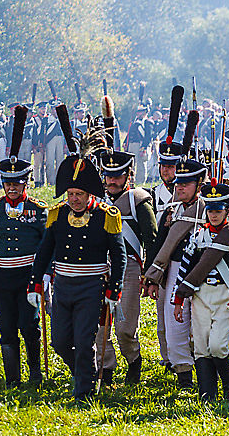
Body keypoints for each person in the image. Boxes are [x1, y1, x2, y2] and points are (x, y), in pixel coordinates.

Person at [27, 108, 126, 401]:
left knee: (84, 342)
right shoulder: (57, 215)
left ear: (90, 195)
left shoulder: (107, 215)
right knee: (60, 342)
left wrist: (114, 290)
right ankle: (84, 373)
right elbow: (44, 250)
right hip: (63, 287)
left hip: (91, 287)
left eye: (79, 195)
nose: (74, 199)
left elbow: (118, 256)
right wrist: (35, 283)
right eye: (70, 194)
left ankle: (84, 390)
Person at [0, 106, 48, 387]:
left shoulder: (38, 210)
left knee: (29, 326)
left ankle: (35, 374)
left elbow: (46, 243)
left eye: (17, 183)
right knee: (6, 330)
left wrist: (46, 274)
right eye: (7, 184)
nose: (12, 188)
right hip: (2, 277)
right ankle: (12, 378)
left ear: (25, 183)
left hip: (28, 275)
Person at [172, 180, 229, 401]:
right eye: (210, 211)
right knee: (200, 346)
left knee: (218, 346)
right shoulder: (198, 236)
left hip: (225, 296)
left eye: (218, 211)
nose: (214, 215)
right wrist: (178, 299)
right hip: (201, 296)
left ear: (227, 210)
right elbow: (185, 268)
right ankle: (207, 393)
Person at [144, 96, 205, 391]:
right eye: (176, 183)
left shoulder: (210, 209)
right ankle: (183, 375)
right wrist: (153, 277)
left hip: (206, 274)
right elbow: (160, 246)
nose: (178, 186)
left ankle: (207, 373)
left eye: (184, 183)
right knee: (174, 325)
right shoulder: (170, 210)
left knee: (204, 327)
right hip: (175, 271)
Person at [95, 147, 159, 385]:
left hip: (130, 269)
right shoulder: (97, 201)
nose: (112, 181)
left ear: (128, 176)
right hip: (100, 268)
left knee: (124, 327)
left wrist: (148, 274)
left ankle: (133, 360)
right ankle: (106, 368)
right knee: (100, 325)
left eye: (118, 176)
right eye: (109, 176)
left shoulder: (138, 201)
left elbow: (151, 239)